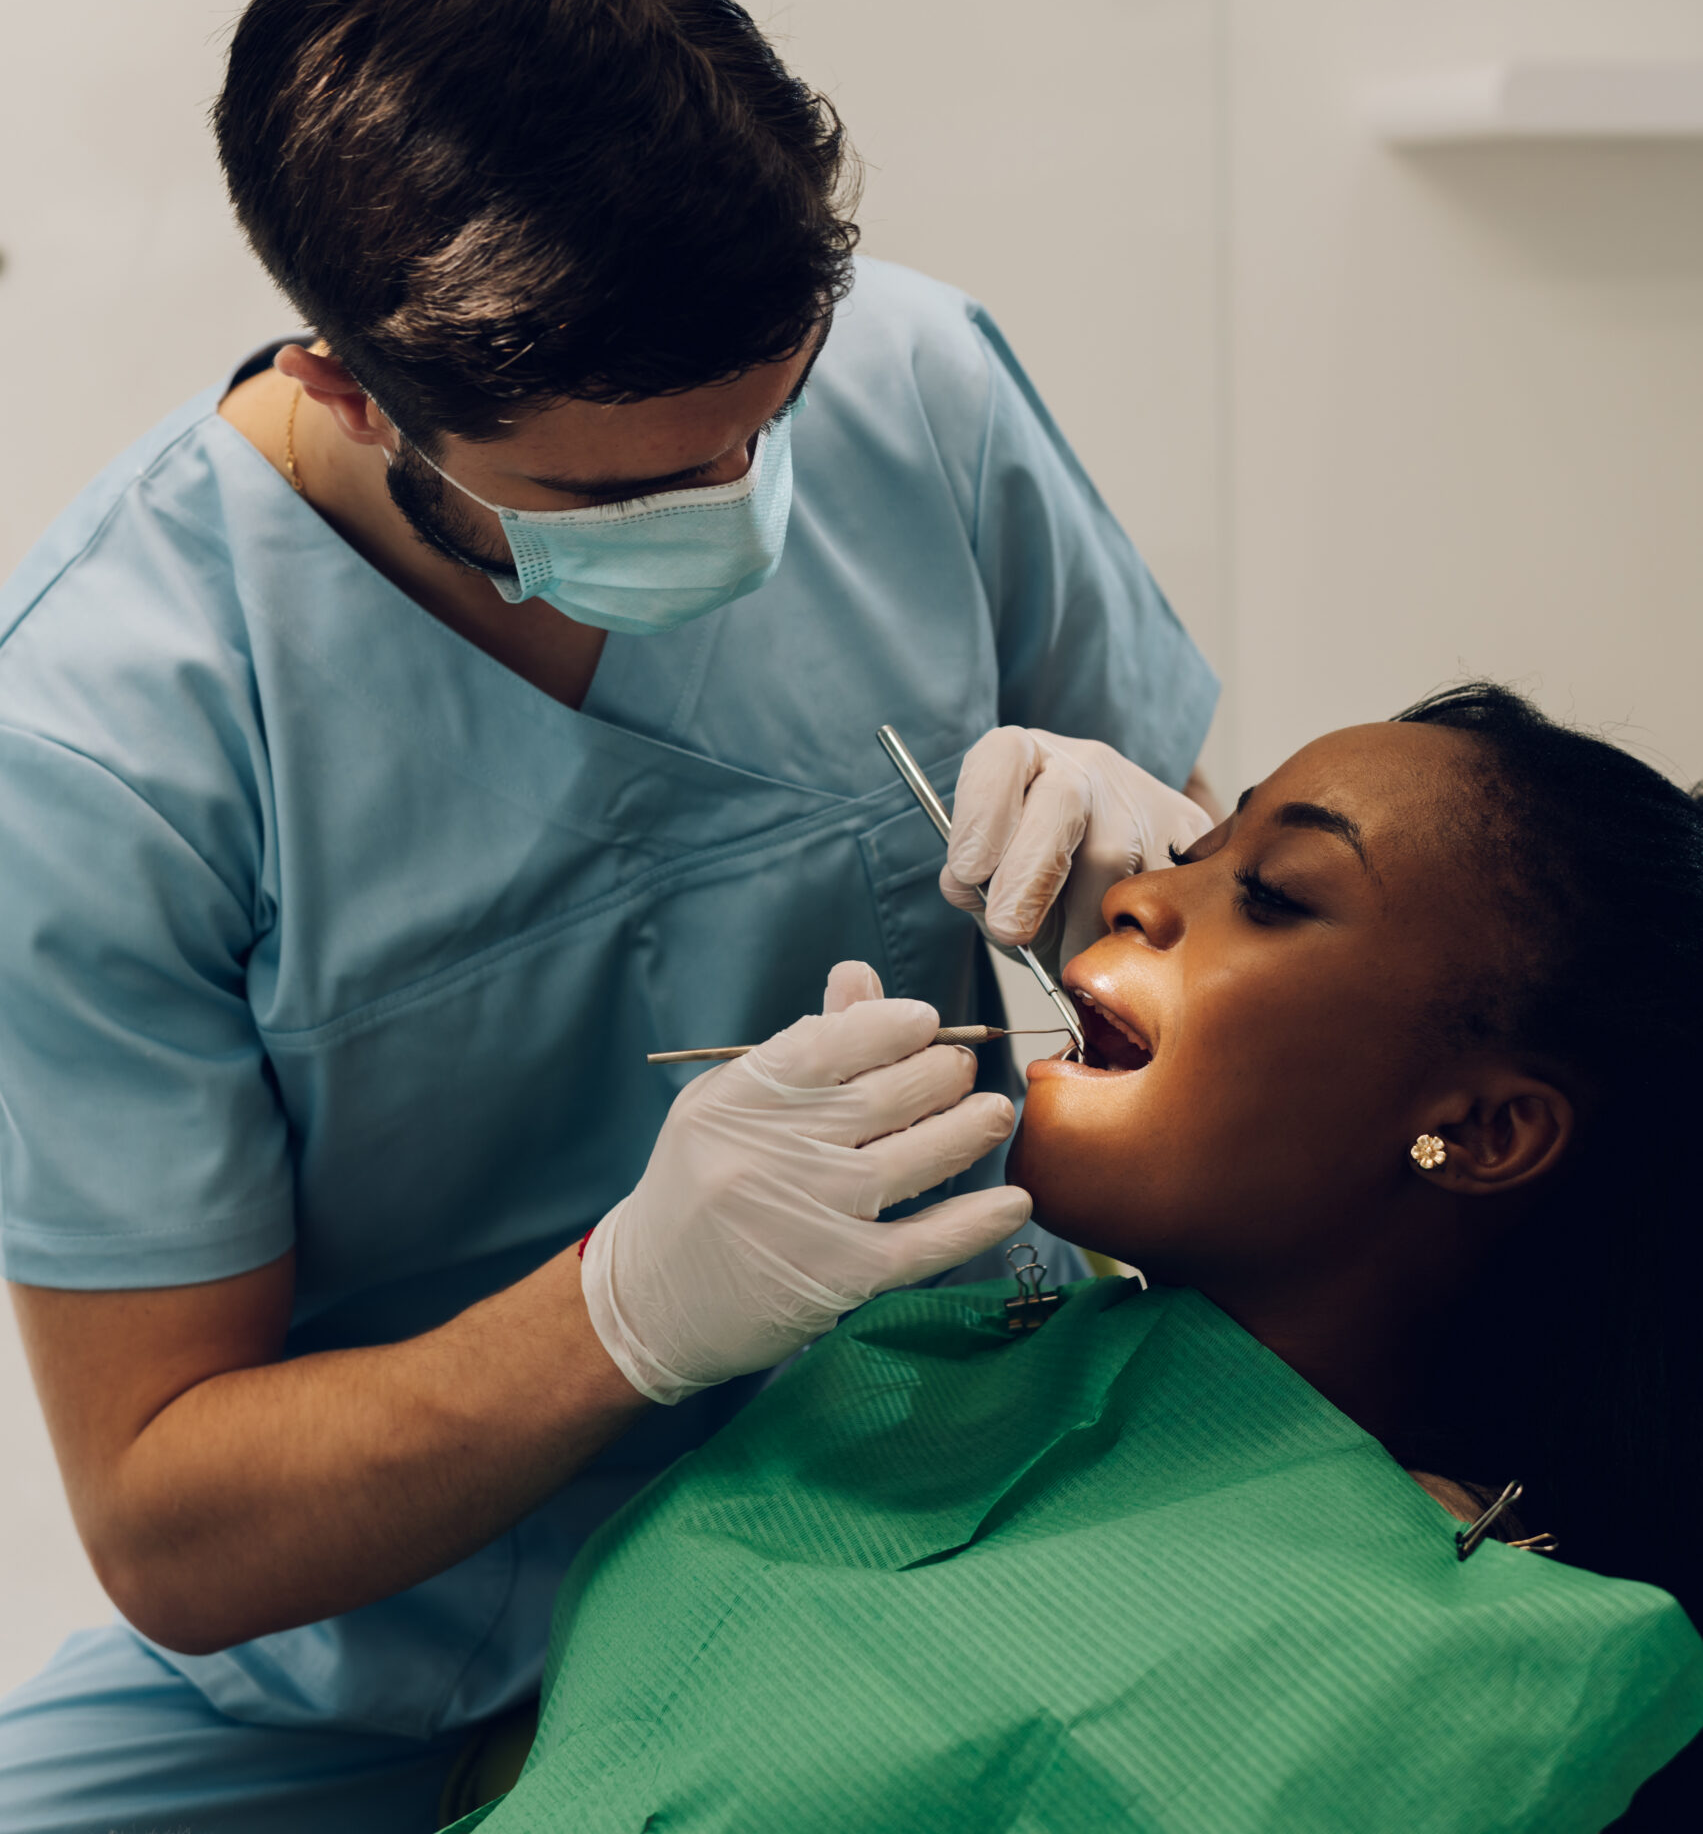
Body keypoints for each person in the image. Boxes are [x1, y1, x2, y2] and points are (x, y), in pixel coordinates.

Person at [0, 0, 1217, 1833]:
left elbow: (1257, 958)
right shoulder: (100, 738)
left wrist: (1153, 882)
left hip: (956, 1474)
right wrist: (620, 1312)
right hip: (394, 1651)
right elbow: (170, 1520)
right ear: (346, 385)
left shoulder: (916, 381)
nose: (739, 500)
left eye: (765, 417)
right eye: (624, 485)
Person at [445, 685, 1703, 1834]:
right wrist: (613, 1318)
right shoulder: (930, 1368)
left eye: (1271, 893)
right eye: (1198, 853)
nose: (1131, 893)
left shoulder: (1473, 1677)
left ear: (1483, 1130)